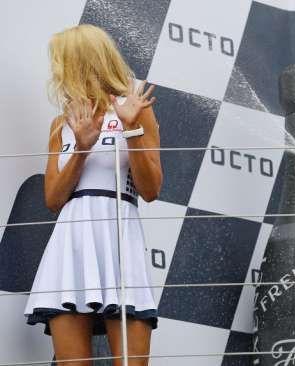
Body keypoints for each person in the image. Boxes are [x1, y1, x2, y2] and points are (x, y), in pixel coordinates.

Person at [24, 24, 162, 366]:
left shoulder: (135, 108)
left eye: (61, 61)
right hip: (70, 243)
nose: (57, 72)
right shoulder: (61, 123)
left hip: (119, 237)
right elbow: (53, 199)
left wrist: (131, 129)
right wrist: (82, 149)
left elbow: (151, 189)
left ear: (82, 62)